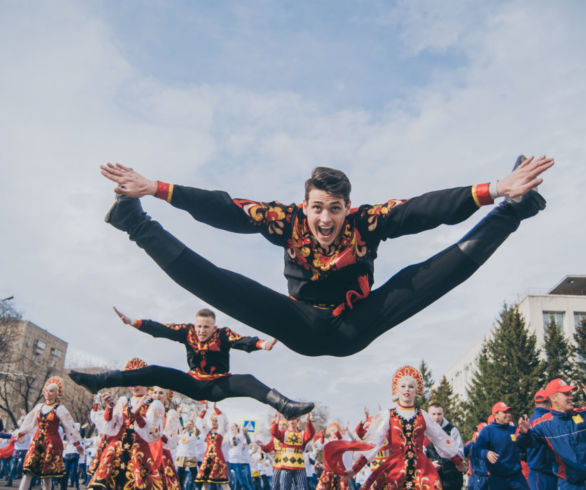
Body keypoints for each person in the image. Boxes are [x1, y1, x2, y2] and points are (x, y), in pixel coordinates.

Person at [100, 156, 553, 357]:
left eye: (334, 209)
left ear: (346, 208)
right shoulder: (285, 220)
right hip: (301, 323)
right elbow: (225, 208)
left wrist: (495, 190)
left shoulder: (367, 222)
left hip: (358, 324)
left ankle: (515, 210)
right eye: (318, 208)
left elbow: (422, 210)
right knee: (221, 284)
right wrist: (155, 189)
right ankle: (135, 224)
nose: (325, 220)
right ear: (306, 205)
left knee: (429, 275)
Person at [70, 307, 314, 420]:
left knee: (248, 380)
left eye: (206, 327)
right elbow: (162, 329)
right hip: (192, 382)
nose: (200, 331)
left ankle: (285, 406)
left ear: (213, 327)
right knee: (154, 371)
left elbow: (242, 341)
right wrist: (133, 322)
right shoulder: (187, 332)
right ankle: (98, 381)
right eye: (198, 326)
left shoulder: (223, 334)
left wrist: (262, 344)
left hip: (219, 384)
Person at [346, 365, 467, 489]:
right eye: (403, 386)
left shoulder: (423, 415)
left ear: (416, 391)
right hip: (395, 468)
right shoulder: (388, 415)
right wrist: (356, 468)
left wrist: (458, 460)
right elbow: (374, 443)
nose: (407, 389)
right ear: (397, 390)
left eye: (411, 387)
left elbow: (440, 438)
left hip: (421, 469)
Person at [87, 357, 165, 489]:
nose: (134, 386)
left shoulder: (155, 405)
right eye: (131, 382)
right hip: (115, 451)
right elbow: (111, 428)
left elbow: (153, 434)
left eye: (138, 382)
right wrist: (110, 407)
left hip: (138, 453)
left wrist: (138, 417)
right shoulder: (123, 401)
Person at [14, 377, 83, 490]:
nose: (48, 393)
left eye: (51, 391)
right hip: (36, 442)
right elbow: (30, 423)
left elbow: (69, 427)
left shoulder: (60, 409)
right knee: (28, 472)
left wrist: (77, 444)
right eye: (46, 390)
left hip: (52, 444)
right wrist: (21, 432)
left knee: (47, 475)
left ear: (56, 394)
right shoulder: (38, 407)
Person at [518, 379, 586, 490]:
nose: (571, 397)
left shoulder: (582, 415)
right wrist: (524, 434)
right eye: (566, 394)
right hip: (567, 484)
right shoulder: (543, 424)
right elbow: (526, 444)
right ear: (554, 398)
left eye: (570, 393)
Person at [476, 401, 528, 489]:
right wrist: (486, 453)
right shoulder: (487, 431)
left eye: (509, 412)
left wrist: (525, 434)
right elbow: (477, 449)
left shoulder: (514, 429)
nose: (508, 414)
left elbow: (525, 447)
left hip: (516, 477)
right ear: (496, 415)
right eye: (504, 412)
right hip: (497, 478)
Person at [426, 402, 466, 490]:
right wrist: (429, 464)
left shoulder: (452, 430)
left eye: (439, 414)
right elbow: (420, 453)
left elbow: (460, 452)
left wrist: (458, 461)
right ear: (428, 414)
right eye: (433, 414)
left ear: (443, 414)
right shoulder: (424, 431)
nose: (436, 417)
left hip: (452, 476)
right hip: (433, 477)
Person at [269, 414, 315, 490]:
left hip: (299, 465)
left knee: (302, 487)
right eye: (290, 419)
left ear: (297, 421)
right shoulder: (284, 434)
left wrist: (308, 421)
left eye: (294, 419)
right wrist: (276, 421)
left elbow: (311, 434)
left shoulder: (302, 434)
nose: (292, 421)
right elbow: (274, 432)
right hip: (285, 465)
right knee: (284, 487)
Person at [150, 386, 182, 490]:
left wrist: (160, 436)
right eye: (155, 392)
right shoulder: (146, 410)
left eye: (161, 393)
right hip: (147, 450)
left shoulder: (170, 414)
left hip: (161, 452)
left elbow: (172, 441)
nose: (157, 395)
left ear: (167, 396)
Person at [525, 389, 557, 490]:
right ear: (549, 402)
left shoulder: (532, 420)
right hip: (545, 469)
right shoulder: (548, 419)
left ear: (535, 403)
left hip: (537, 470)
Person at [195, 403, 230, 490]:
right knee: (205, 482)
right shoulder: (207, 431)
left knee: (223, 482)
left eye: (216, 421)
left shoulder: (220, 432)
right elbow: (199, 422)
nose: (214, 422)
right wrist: (205, 410)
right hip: (207, 458)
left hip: (218, 458)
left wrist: (215, 409)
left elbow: (222, 420)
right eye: (213, 421)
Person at [465, 423, 490, 490]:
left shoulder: (488, 443)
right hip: (476, 475)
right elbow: (462, 452)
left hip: (480, 475)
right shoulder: (471, 443)